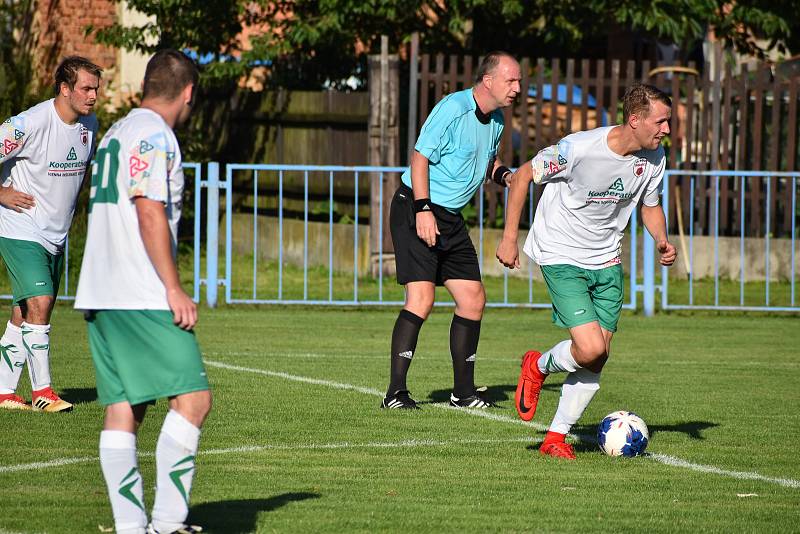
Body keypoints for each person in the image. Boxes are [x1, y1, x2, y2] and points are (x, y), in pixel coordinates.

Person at [496, 83, 678, 459]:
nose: (666, 130)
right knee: (590, 346)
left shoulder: (655, 159)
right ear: (635, 119)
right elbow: (524, 175)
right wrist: (509, 238)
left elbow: (650, 205)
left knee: (598, 354)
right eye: (660, 122)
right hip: (561, 252)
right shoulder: (579, 149)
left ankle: (554, 438)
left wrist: (661, 238)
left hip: (607, 258)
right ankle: (538, 365)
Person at [74, 49, 209, 534]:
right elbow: (148, 209)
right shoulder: (156, 135)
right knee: (193, 400)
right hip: (139, 291)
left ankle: (132, 527)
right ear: (188, 93)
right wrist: (174, 287)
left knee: (124, 408)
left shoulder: (117, 131)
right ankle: (169, 523)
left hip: (100, 289)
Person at [382, 51, 521, 410]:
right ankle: (395, 393)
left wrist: (504, 175)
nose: (517, 88)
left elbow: (487, 160)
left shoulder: (497, 120)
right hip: (415, 205)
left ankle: (463, 393)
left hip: (451, 217)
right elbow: (420, 158)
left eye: (518, 81)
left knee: (473, 299)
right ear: (488, 81)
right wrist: (422, 208)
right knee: (422, 299)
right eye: (511, 80)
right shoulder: (451, 108)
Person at [0, 56, 102, 412]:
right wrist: (1, 193)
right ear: (65, 88)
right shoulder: (29, 123)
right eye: (86, 88)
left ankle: (4, 392)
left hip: (54, 233)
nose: (93, 96)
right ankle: (43, 393)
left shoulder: (90, 124)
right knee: (40, 304)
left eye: (96, 89)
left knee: (25, 311)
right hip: (19, 224)